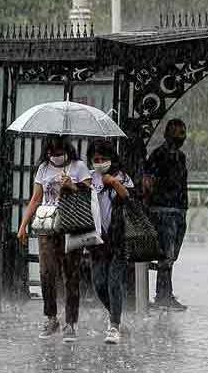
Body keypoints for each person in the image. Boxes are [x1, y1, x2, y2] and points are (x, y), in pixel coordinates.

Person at [17, 136, 92, 342]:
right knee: (47, 271)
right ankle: (51, 317)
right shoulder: (43, 168)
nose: (55, 157)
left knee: (71, 273)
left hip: (71, 225)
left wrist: (72, 185)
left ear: (66, 150)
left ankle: (70, 322)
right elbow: (36, 198)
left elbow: (89, 195)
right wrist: (24, 224)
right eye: (51, 153)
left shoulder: (79, 167)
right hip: (48, 226)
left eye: (59, 153)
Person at [88, 139, 133, 345]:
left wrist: (113, 182)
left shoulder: (122, 177)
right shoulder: (90, 178)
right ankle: (116, 315)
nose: (99, 163)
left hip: (119, 239)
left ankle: (114, 325)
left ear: (111, 159)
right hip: (97, 241)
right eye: (95, 159)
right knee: (99, 283)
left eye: (103, 159)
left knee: (114, 281)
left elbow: (130, 198)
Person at [144, 119, 189, 311]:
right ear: (167, 134)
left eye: (182, 132)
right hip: (162, 211)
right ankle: (163, 295)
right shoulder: (157, 156)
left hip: (178, 210)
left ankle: (165, 293)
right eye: (177, 132)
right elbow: (148, 183)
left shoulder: (181, 157)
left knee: (172, 254)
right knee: (166, 254)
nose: (180, 136)